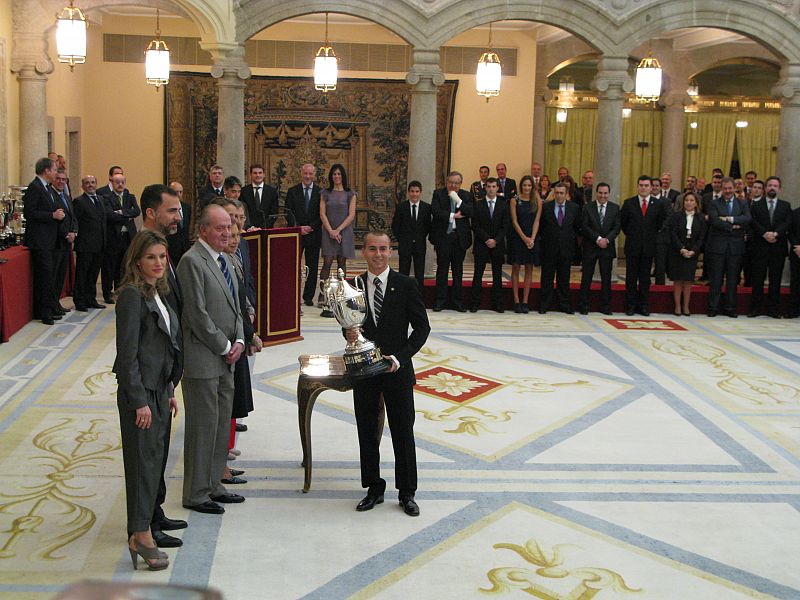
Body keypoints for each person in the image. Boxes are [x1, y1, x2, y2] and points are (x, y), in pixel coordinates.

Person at [346, 230, 430, 516]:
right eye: (372, 249)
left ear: (391, 252)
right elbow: (349, 323)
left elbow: (422, 327)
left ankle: (407, 492)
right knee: (367, 430)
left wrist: (401, 357)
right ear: (363, 252)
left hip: (397, 370)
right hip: (366, 371)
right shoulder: (353, 285)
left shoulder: (405, 284)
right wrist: (348, 332)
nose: (378, 254)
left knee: (402, 430)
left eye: (383, 249)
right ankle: (373, 487)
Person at [113, 230, 181, 571]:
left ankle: (143, 529)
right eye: (151, 257)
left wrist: (168, 390)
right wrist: (139, 399)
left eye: (162, 257)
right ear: (137, 260)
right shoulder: (131, 297)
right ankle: (141, 534)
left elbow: (164, 346)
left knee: (154, 463)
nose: (158, 263)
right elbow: (127, 357)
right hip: (139, 394)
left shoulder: (158, 293)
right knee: (142, 466)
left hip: (158, 390)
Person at [177, 204, 245, 514]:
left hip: (227, 358)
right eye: (220, 228)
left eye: (229, 227)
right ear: (203, 230)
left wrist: (240, 340)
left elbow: (235, 305)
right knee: (202, 428)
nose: (227, 233)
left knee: (220, 425)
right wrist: (223, 345)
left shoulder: (226, 259)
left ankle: (215, 483)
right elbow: (196, 314)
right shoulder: (192, 261)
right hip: (204, 359)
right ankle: (195, 492)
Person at [137, 183, 186, 548]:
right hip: (147, 382)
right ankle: (145, 525)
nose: (178, 217)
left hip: (162, 378)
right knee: (146, 457)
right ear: (152, 213)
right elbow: (129, 350)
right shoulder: (139, 268)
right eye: (172, 210)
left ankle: (156, 512)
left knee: (160, 451)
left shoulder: (161, 254)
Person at [222, 222, 261, 485]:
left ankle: (221, 462)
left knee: (232, 400)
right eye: (226, 232)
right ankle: (217, 467)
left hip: (236, 337)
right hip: (223, 346)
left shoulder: (235, 257)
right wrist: (242, 336)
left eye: (236, 233)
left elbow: (243, 290)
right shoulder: (203, 263)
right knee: (222, 405)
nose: (233, 239)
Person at [23, 157, 63, 325]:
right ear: (46, 171)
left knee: (50, 276)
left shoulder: (47, 188)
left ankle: (48, 308)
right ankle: (44, 312)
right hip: (40, 240)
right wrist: (52, 215)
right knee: (45, 277)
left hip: (49, 239)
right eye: (54, 170)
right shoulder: (35, 187)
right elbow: (29, 213)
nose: (56, 173)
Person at [620, 175, 666, 316]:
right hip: (633, 246)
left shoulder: (658, 205)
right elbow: (624, 225)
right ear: (637, 186)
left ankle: (644, 305)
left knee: (645, 278)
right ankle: (631, 305)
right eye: (641, 185)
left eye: (646, 185)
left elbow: (659, 224)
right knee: (631, 278)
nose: (643, 188)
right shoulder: (629, 203)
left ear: (651, 187)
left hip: (648, 247)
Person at [706, 177, 751, 317]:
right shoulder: (714, 203)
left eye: (729, 188)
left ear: (734, 188)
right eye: (725, 188)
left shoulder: (742, 203)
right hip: (717, 247)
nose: (727, 191)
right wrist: (735, 227)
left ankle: (730, 308)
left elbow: (747, 219)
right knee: (716, 279)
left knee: (733, 280)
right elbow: (714, 221)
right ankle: (713, 308)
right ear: (721, 188)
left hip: (735, 248)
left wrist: (729, 219)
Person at [749, 176, 792, 318]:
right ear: (765, 188)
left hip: (777, 247)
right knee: (758, 279)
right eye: (770, 185)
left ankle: (773, 309)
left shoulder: (785, 206)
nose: (772, 188)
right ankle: (755, 308)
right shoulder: (756, 205)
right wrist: (764, 233)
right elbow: (753, 222)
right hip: (760, 246)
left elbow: (787, 222)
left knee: (775, 279)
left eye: (775, 185)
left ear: (779, 188)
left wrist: (776, 233)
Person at [430, 171, 473, 312]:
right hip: (443, 237)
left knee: (458, 270)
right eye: (451, 182)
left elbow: (471, 212)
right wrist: (453, 216)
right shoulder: (438, 194)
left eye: (456, 183)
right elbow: (436, 212)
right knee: (442, 270)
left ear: (460, 184)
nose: (453, 185)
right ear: (447, 182)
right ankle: (439, 301)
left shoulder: (466, 195)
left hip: (459, 238)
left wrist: (458, 201)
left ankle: (457, 301)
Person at [539, 181, 580, 314]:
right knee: (546, 278)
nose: (559, 196)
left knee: (564, 279)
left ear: (566, 194)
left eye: (561, 193)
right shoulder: (546, 207)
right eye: (556, 193)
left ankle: (565, 305)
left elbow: (577, 228)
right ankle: (544, 304)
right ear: (553, 193)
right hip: (549, 249)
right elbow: (541, 228)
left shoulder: (574, 208)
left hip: (566, 249)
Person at [579, 182, 620, 315]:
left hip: (607, 247)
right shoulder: (587, 207)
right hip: (591, 246)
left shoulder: (615, 208)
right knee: (586, 277)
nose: (603, 196)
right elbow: (584, 226)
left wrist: (606, 240)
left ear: (609, 194)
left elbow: (617, 227)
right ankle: (584, 305)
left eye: (605, 193)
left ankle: (606, 306)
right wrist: (597, 239)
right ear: (596, 193)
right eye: (600, 193)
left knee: (606, 278)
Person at [284, 163, 322, 306]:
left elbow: (322, 214)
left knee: (312, 268)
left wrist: (311, 227)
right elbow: (288, 212)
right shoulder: (292, 191)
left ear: (314, 175)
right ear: (301, 173)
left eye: (310, 174)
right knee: (292, 267)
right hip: (295, 234)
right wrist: (298, 227)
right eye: (305, 173)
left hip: (314, 234)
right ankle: (293, 295)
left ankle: (308, 297)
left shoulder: (320, 192)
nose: (307, 176)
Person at [319, 163, 357, 304]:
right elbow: (322, 214)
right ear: (331, 176)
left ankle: (342, 294)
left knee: (342, 262)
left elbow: (351, 215)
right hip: (328, 231)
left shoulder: (350, 194)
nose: (336, 176)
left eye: (339, 174)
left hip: (344, 232)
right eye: (334, 174)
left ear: (343, 176)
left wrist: (338, 230)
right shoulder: (325, 193)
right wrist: (331, 231)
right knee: (327, 262)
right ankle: (322, 295)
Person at [470, 178, 509, 313]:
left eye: (494, 186)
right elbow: (474, 225)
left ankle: (498, 303)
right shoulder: (478, 204)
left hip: (497, 245)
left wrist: (496, 240)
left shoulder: (503, 205)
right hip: (482, 243)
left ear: (497, 188)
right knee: (478, 274)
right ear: (485, 188)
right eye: (489, 186)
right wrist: (487, 239)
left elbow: (505, 226)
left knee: (497, 275)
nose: (491, 189)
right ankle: (474, 303)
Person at [102, 173, 140, 304]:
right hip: (113, 237)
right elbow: (109, 215)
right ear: (112, 182)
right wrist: (126, 215)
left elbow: (137, 211)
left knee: (123, 265)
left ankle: (120, 291)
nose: (120, 184)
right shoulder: (107, 197)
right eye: (117, 182)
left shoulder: (130, 196)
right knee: (110, 266)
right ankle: (108, 293)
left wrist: (121, 212)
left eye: (122, 182)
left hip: (127, 237)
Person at [72, 175, 106, 311]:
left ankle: (90, 299)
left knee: (93, 274)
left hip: (99, 244)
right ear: (83, 186)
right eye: (87, 183)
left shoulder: (101, 199)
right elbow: (76, 222)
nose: (90, 185)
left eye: (92, 182)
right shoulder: (79, 202)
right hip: (85, 245)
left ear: (96, 184)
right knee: (82, 274)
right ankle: (80, 301)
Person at [669, 192, 705, 316]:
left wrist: (694, 250)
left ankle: (686, 306)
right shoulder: (676, 216)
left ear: (696, 203)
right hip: (678, 251)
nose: (689, 203)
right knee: (678, 280)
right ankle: (677, 306)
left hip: (692, 252)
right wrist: (681, 249)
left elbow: (701, 236)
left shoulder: (700, 218)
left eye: (691, 200)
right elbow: (673, 234)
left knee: (688, 280)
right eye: (686, 200)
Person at [509, 175, 542, 313]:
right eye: (524, 185)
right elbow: (514, 221)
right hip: (518, 238)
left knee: (529, 268)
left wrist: (532, 239)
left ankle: (525, 301)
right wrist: (524, 238)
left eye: (529, 185)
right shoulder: (514, 200)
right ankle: (516, 301)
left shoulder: (537, 201)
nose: (527, 188)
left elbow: (537, 221)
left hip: (532, 239)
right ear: (521, 186)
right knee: (516, 268)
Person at [392, 180, 432, 290]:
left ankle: (418, 297)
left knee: (419, 273)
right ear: (408, 192)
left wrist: (419, 237)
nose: (414, 194)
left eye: (417, 191)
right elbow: (395, 226)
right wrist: (403, 239)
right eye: (412, 191)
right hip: (405, 245)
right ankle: (403, 295)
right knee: (403, 272)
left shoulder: (426, 208)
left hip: (420, 244)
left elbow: (428, 226)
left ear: (420, 192)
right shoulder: (401, 207)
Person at [51, 169, 78, 312]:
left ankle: (56, 303)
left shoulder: (66, 197)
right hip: (57, 242)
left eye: (64, 179)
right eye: (58, 179)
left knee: (61, 275)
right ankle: (52, 304)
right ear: (53, 180)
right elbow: (55, 221)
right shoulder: (51, 196)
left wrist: (74, 232)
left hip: (67, 242)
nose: (61, 181)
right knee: (54, 275)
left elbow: (73, 217)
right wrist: (66, 234)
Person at [240, 163, 279, 229]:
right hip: (249, 230)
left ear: (264, 175)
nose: (258, 175)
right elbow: (243, 212)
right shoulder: (244, 191)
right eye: (255, 173)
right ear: (251, 175)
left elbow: (274, 213)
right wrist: (250, 227)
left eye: (260, 173)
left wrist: (263, 227)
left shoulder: (272, 191)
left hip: (266, 229)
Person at [788, 205, 800, 318]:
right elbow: (790, 232)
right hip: (797, 252)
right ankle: (794, 310)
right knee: (795, 282)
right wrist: (797, 246)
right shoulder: (795, 213)